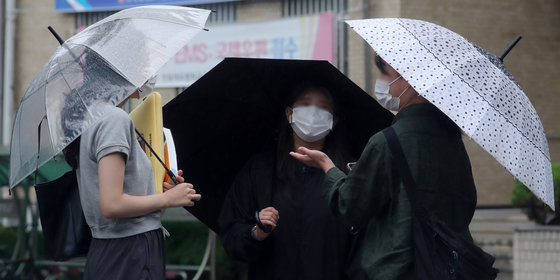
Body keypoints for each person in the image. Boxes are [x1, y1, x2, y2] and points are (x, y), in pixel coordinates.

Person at [290, 55, 478, 280]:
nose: (379, 81)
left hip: (402, 269)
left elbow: (349, 206)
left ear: (410, 82)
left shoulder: (388, 141)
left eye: (385, 74)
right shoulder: (453, 141)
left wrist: (327, 166)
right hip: (448, 267)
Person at [218, 83, 367, 280]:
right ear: (289, 113)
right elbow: (232, 236)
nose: (313, 112)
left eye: (323, 107)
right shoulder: (260, 170)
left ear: (334, 121)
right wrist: (256, 232)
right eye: (305, 104)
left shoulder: (349, 174)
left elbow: (363, 248)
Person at [62, 74, 201, 279]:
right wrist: (167, 199)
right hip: (130, 251)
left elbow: (113, 189)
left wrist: (156, 189)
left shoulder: (94, 116)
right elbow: (112, 204)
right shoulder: (114, 119)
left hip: (110, 250)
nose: (150, 72)